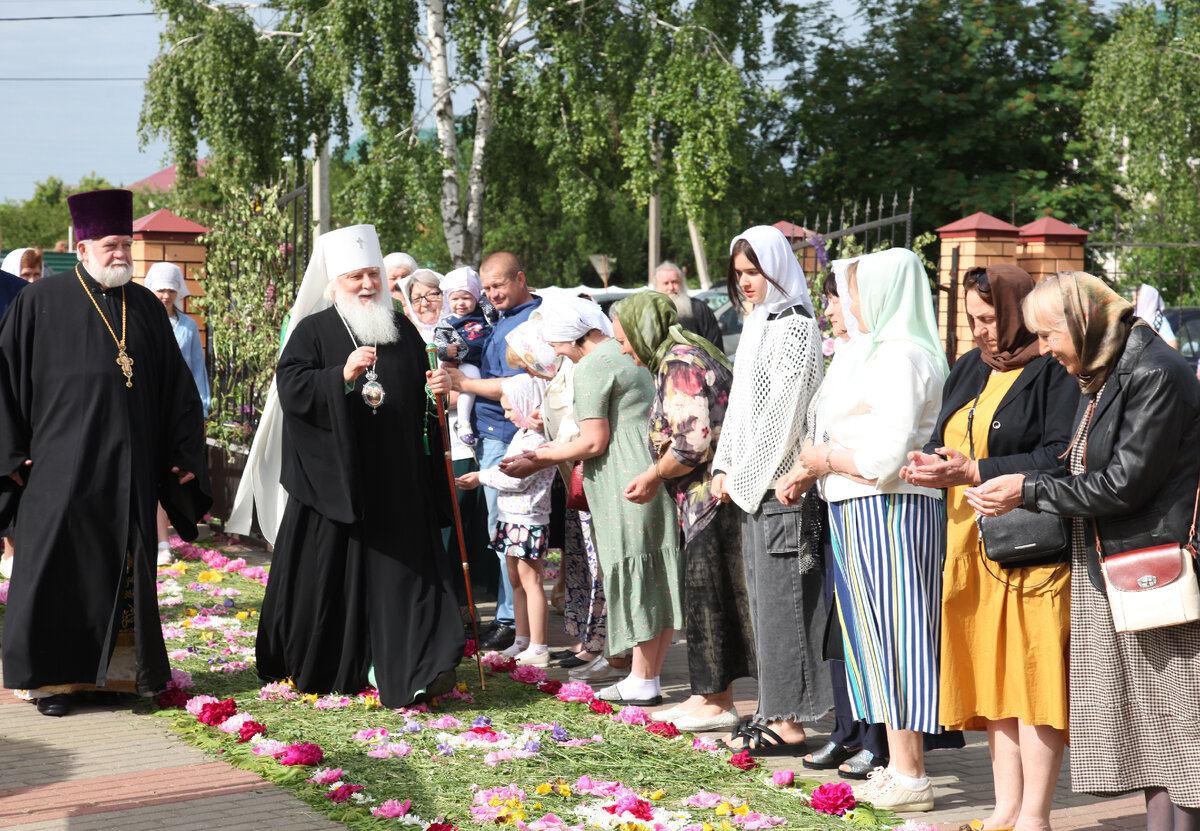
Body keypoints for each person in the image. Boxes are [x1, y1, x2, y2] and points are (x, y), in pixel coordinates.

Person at [966, 272, 1200, 831]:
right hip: (1115, 561)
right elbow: (1080, 461)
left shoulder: (1151, 371)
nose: (1044, 349)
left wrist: (1028, 488)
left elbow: (1123, 483)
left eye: (1048, 335)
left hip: (1150, 569)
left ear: (1083, 321)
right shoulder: (1107, 367)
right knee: (1148, 726)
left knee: (1177, 724)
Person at [231, 224, 462, 709]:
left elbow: (417, 405)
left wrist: (435, 393)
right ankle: (345, 663)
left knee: (408, 581)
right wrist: (339, 376)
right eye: (356, 277)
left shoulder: (401, 330)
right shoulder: (313, 331)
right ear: (336, 282)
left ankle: (417, 665)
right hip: (338, 486)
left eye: (373, 275)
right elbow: (293, 389)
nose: (367, 285)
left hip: (398, 484)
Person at [0, 188, 210, 717]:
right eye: (112, 245)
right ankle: (55, 682)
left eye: (127, 245)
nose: (121, 255)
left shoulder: (141, 304)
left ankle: (120, 679)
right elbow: (3, 382)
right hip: (59, 472)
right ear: (83, 245)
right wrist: (12, 453)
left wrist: (183, 449)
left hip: (130, 471)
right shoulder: (38, 302)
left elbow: (175, 387)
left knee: (127, 571)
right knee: (57, 572)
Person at [901, 264, 1079, 831]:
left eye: (988, 318)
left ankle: (1035, 815)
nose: (979, 330)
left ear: (1015, 311)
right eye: (971, 319)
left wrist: (977, 468)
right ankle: (1004, 810)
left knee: (1033, 678)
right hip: (967, 542)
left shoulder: (1052, 369)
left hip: (1029, 548)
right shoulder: (970, 367)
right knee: (991, 676)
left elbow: (1059, 456)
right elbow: (943, 437)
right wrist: (930, 463)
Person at [779, 247, 948, 811]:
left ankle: (912, 773)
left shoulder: (903, 356)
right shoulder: (875, 352)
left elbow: (883, 457)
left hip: (891, 509)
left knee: (899, 638)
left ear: (882, 292)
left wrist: (824, 456)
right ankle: (901, 768)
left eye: (853, 288)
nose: (847, 302)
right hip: (861, 510)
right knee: (872, 641)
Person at [505, 295, 684, 703]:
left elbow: (593, 441)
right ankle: (647, 676)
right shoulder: (628, 357)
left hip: (622, 479)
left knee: (632, 572)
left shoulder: (590, 367)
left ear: (569, 338)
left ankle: (641, 678)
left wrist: (539, 457)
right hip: (656, 471)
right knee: (657, 571)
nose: (551, 349)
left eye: (553, 341)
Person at [709, 225, 831, 757]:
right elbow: (740, 409)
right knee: (763, 603)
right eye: (739, 274)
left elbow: (783, 417)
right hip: (750, 485)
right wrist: (723, 467)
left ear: (777, 268)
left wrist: (745, 477)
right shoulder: (758, 323)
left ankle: (791, 722)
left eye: (753, 272)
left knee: (783, 605)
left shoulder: (798, 327)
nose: (746, 283)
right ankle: (772, 708)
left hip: (781, 488)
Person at [610, 291, 753, 733]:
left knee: (709, 602)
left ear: (643, 330)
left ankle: (716, 703)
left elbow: (692, 445)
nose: (624, 349)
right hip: (704, 499)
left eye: (625, 340)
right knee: (703, 601)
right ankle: (704, 695)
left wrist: (653, 475)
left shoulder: (679, 364)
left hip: (708, 501)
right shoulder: (684, 354)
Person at [448, 252, 543, 652]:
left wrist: (463, 384)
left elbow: (517, 383)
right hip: (493, 430)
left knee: (505, 534)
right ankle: (516, 625)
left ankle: (511, 621)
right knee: (499, 532)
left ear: (520, 279)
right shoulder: (501, 317)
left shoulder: (531, 321)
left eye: (498, 286)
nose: (491, 294)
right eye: (486, 288)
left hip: (510, 433)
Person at [509, 318, 608, 668]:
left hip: (589, 476)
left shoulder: (576, 373)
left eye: (533, 364)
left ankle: (605, 645)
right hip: (574, 481)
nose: (534, 374)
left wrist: (541, 453)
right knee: (585, 565)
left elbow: (580, 430)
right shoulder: (560, 374)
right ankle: (590, 638)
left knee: (600, 566)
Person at [456, 374, 556, 666]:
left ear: (527, 404)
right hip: (510, 517)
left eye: (511, 408)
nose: (507, 415)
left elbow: (517, 479)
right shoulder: (522, 434)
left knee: (531, 580)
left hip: (528, 518)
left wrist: (481, 477)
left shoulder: (538, 439)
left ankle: (539, 645)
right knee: (515, 580)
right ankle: (522, 639)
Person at [145, 261, 213, 566]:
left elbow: (197, 369)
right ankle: (159, 540)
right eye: (159, 288)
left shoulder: (186, 326)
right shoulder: (142, 321)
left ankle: (167, 536)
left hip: (180, 411)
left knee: (173, 472)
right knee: (151, 472)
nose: (165, 294)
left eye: (170, 289)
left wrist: (202, 406)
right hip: (149, 408)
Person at [434, 266, 491, 446]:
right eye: (455, 298)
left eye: (466, 298)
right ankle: (464, 422)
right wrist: (446, 351)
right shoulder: (448, 322)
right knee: (470, 379)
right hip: (468, 362)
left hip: (489, 360)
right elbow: (439, 345)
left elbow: (493, 302)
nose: (461, 303)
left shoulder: (483, 313)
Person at [654, 261, 723, 352]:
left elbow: (715, 347)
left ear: (681, 283)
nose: (671, 288)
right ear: (657, 286)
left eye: (674, 282)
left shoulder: (699, 308)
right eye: (666, 283)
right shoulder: (651, 313)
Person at [1133, 283, 1177, 349]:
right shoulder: (1133, 318)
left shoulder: (1158, 321)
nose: (1133, 303)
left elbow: (1173, 346)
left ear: (1146, 300)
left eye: (1136, 300)